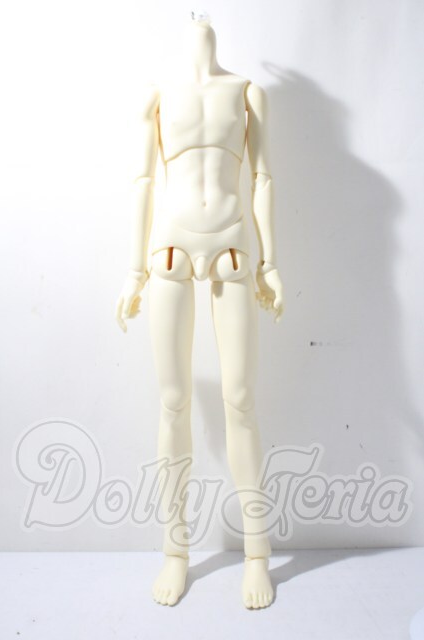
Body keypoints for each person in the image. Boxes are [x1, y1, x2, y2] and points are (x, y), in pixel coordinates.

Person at [115, 12, 284, 609]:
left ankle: (258, 552)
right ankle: (175, 550)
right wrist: (134, 271)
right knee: (174, 401)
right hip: (170, 247)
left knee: (240, 400)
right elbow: (142, 181)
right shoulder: (157, 95)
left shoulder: (248, 92)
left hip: (234, 245)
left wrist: (269, 263)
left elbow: (263, 177)